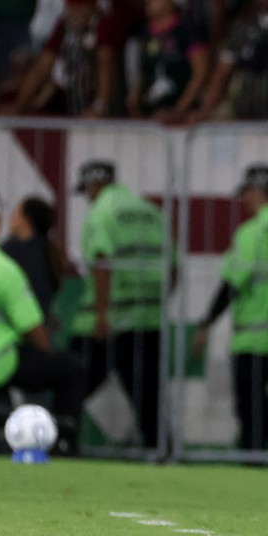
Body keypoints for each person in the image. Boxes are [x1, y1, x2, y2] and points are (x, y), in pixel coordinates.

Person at [192, 165, 268, 454]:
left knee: (249, 403)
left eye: (247, 193)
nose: (245, 200)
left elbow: (233, 283)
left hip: (256, 333)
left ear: (257, 191)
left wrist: (206, 323)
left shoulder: (254, 231)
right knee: (256, 400)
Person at [70, 160, 168, 451]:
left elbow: (102, 262)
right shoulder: (151, 212)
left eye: (86, 190)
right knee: (147, 398)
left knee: (71, 386)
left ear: (94, 184)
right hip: (148, 319)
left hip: (106, 322)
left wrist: (102, 313)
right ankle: (161, 452)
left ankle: (57, 442)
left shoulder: (102, 211)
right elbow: (172, 266)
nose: (87, 197)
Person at [0, 192, 86, 455]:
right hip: (2, 361)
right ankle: (62, 442)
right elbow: (33, 329)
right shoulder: (4, 268)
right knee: (70, 369)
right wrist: (47, 352)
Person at [0, 196, 72, 322]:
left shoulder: (13, 250)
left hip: (20, 324)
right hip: (42, 322)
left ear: (25, 220)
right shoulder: (46, 249)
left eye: (16, 213)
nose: (11, 218)